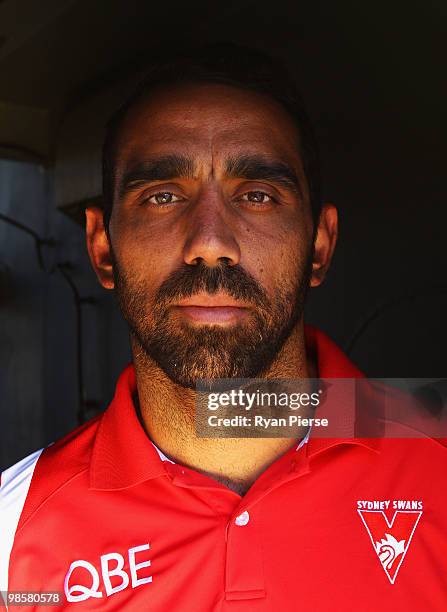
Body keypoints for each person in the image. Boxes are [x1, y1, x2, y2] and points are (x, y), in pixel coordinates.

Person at [0, 43, 446, 611]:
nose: (210, 242)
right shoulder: (11, 537)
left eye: (258, 196)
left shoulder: (437, 462)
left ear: (319, 245)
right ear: (102, 247)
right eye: (162, 196)